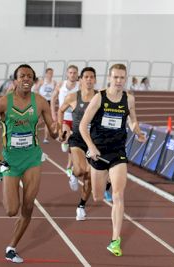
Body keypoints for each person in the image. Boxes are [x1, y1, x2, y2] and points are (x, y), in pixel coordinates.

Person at [0, 64, 58, 263]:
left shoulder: (40, 102)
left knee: (28, 205)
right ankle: (2, 172)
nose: (26, 79)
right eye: (22, 75)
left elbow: (53, 132)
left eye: (30, 76)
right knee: (11, 210)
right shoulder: (3, 103)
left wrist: (59, 132)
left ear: (34, 81)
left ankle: (11, 247)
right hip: (9, 158)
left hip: (32, 157)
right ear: (15, 80)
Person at [79, 64, 146, 256]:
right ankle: (105, 178)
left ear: (125, 78)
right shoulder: (99, 98)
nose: (118, 81)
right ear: (110, 77)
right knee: (98, 197)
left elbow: (132, 120)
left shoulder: (129, 99)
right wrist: (91, 147)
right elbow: (83, 126)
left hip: (118, 151)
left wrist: (138, 131)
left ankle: (115, 240)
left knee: (118, 195)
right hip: (98, 152)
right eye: (115, 77)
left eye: (122, 78)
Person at [58, 67, 98, 221]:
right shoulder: (73, 97)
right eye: (86, 77)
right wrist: (61, 127)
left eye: (92, 77)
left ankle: (81, 206)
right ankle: (73, 174)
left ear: (95, 80)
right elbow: (61, 111)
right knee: (81, 169)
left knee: (90, 177)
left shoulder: (100, 98)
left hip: (94, 142)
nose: (89, 80)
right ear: (81, 80)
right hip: (77, 139)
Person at [51, 65, 79, 190]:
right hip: (64, 117)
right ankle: (65, 142)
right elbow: (52, 99)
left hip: (76, 118)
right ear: (67, 74)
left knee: (73, 146)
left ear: (77, 74)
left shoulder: (81, 85)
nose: (72, 75)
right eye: (70, 72)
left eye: (74, 73)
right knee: (66, 143)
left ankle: (68, 166)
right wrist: (53, 114)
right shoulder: (61, 84)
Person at [34, 68, 57, 143]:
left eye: (52, 73)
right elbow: (35, 89)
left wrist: (55, 98)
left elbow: (56, 92)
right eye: (49, 73)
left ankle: (45, 138)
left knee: (48, 120)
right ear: (46, 74)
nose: (51, 74)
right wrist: (38, 97)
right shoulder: (42, 81)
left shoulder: (54, 82)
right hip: (42, 102)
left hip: (49, 102)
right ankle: (32, 132)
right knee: (39, 120)